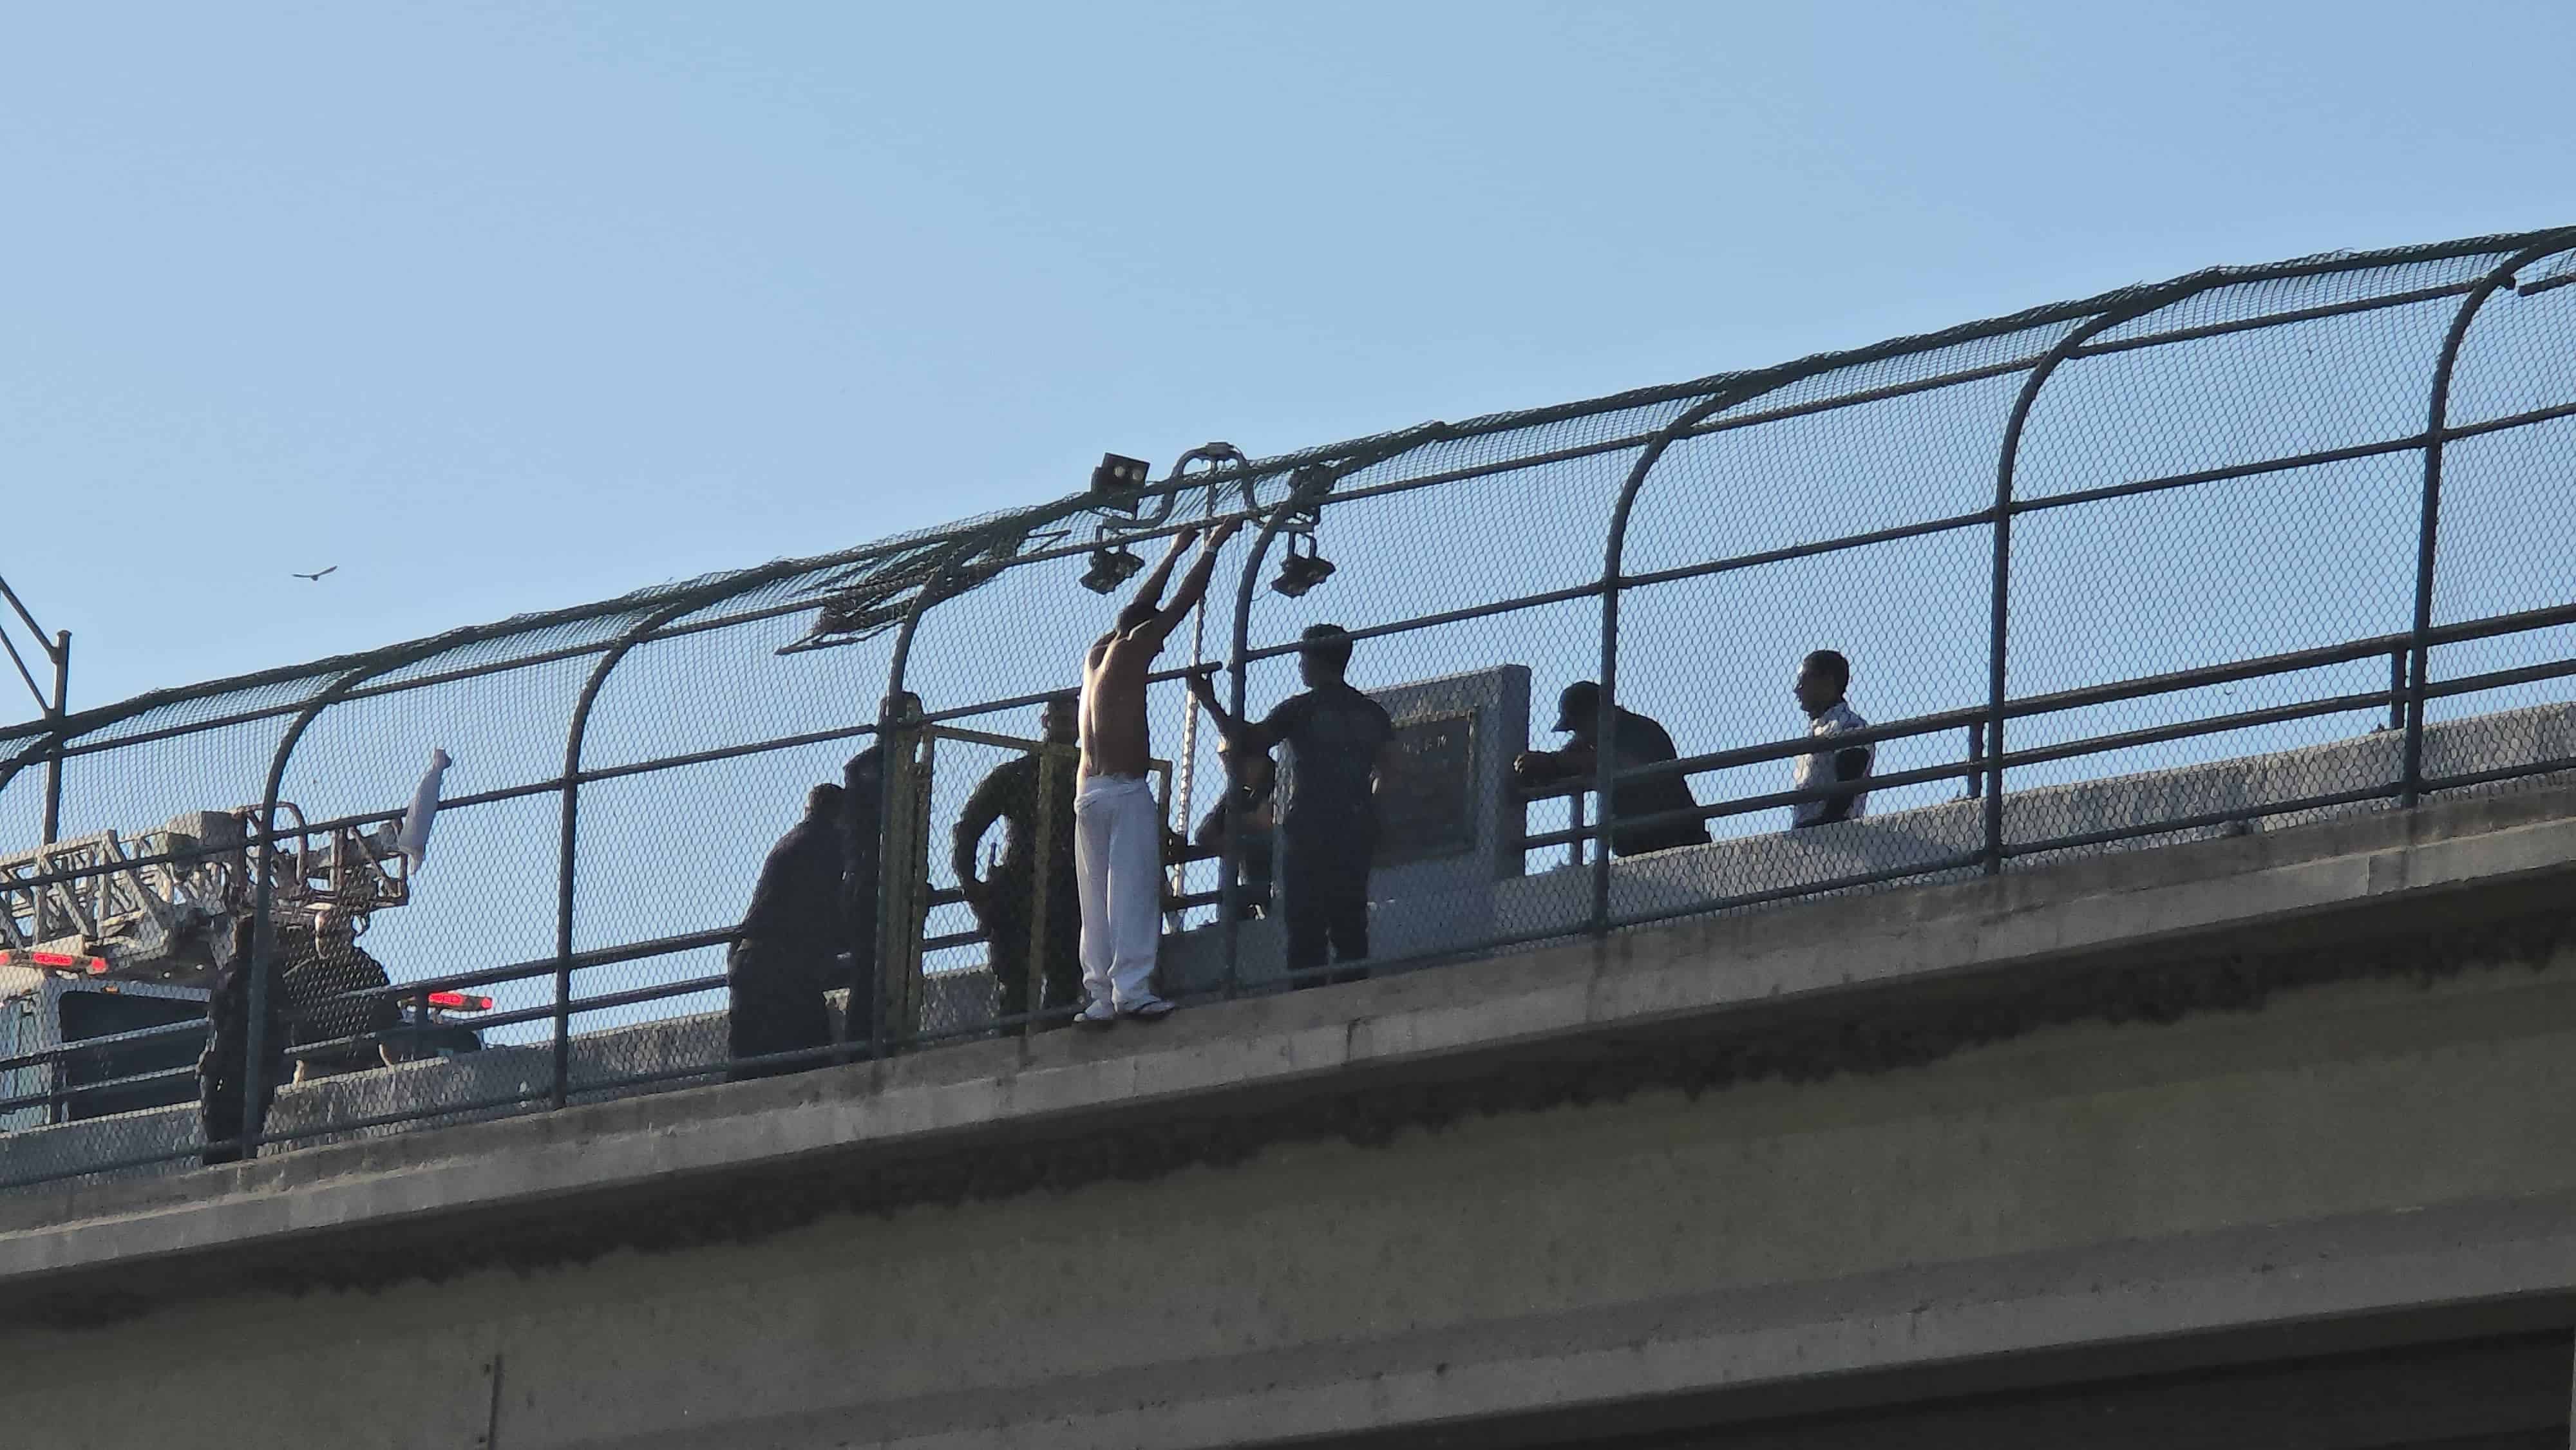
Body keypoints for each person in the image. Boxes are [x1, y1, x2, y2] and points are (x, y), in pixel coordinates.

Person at [1075, 519, 1242, 1026]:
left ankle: (1099, 997)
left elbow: (1139, 607)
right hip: (1125, 790)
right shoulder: (1131, 649)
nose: (1162, 646)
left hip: (1088, 793)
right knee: (1132, 891)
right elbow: (1179, 604)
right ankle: (1132, 990)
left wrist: (1173, 550)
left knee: (1095, 904)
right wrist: (1211, 548)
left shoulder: (1097, 653)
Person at [1189, 624, 1394, 981]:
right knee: (1350, 924)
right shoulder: (1371, 713)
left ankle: (1309, 1002)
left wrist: (1209, 700)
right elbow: (1392, 770)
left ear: (1314, 660)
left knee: (1305, 927)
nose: (1300, 665)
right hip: (1353, 827)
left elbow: (1249, 741)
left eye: (1303, 656)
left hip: (1309, 829)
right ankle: (1354, 996)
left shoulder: (1302, 709)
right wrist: (1369, 810)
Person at [952, 693, 1083, 1025]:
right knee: (1017, 986)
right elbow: (968, 828)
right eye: (1061, 720)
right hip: (1021, 889)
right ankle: (1015, 1055)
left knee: (1065, 982)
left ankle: (1053, 1053)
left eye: (1073, 720)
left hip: (1073, 890)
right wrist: (970, 884)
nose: (1068, 728)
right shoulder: (1019, 775)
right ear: (1045, 722)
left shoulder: (1091, 774)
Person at [729, 782, 847, 1080]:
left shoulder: (793, 842)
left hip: (753, 962)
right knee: (811, 1062)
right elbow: (826, 911)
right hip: (779, 967)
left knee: (752, 1071)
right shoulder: (826, 845)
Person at [1513, 682, 1710, 858]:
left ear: (1599, 714)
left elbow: (1619, 763)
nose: (1578, 733)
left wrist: (1556, 762)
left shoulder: (1641, 731)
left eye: (1580, 725)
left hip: (1679, 837)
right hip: (1636, 846)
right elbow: (1566, 762)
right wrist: (1540, 767)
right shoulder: (1590, 741)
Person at [277, 905, 403, 1082]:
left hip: (362, 1068)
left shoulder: (368, 971)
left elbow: (388, 1022)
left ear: (350, 935)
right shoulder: (303, 975)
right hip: (314, 1066)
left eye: (334, 935)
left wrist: (396, 1072)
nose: (326, 941)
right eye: (321, 935)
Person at [198, 912, 283, 1166]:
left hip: (227, 1074)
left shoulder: (229, 974)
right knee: (238, 1144)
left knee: (223, 1144)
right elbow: (234, 1026)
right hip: (242, 1073)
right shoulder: (255, 976)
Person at [1191, 734, 1276, 921]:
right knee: (1231, 899)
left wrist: (1253, 824)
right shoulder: (1239, 794)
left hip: (1287, 876)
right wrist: (1240, 827)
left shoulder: (1281, 780)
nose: (1231, 771)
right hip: (1256, 884)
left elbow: (1273, 822)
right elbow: (1204, 835)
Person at [1792, 649, 1874, 828]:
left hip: (1834, 833)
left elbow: (1849, 781)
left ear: (1827, 682)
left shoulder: (1848, 725)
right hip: (1809, 830)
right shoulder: (1819, 730)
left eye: (1804, 680)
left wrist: (1826, 821)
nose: (1797, 689)